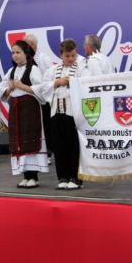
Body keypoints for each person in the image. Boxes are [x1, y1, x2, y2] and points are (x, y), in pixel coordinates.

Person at [36, 39, 90, 190]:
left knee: (74, 147)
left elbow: (87, 84)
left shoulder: (82, 68)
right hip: (56, 113)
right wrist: (57, 82)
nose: (71, 58)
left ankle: (76, 178)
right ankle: (63, 177)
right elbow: (43, 87)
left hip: (73, 113)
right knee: (59, 147)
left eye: (73, 55)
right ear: (61, 55)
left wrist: (72, 82)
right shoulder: (53, 71)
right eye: (67, 56)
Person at [0, 40, 49, 188]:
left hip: (30, 108)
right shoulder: (12, 71)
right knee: (19, 140)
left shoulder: (33, 69)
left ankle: (34, 176)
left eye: (18, 52)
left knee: (30, 137)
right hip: (16, 109)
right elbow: (2, 90)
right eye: (13, 53)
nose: (15, 56)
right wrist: (10, 88)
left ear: (26, 54)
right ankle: (25, 175)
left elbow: (41, 89)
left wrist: (22, 86)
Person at [23, 34, 54, 165]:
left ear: (31, 45)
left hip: (44, 99)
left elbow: (50, 79)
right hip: (30, 99)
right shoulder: (25, 60)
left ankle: (48, 153)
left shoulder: (43, 59)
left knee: (46, 126)